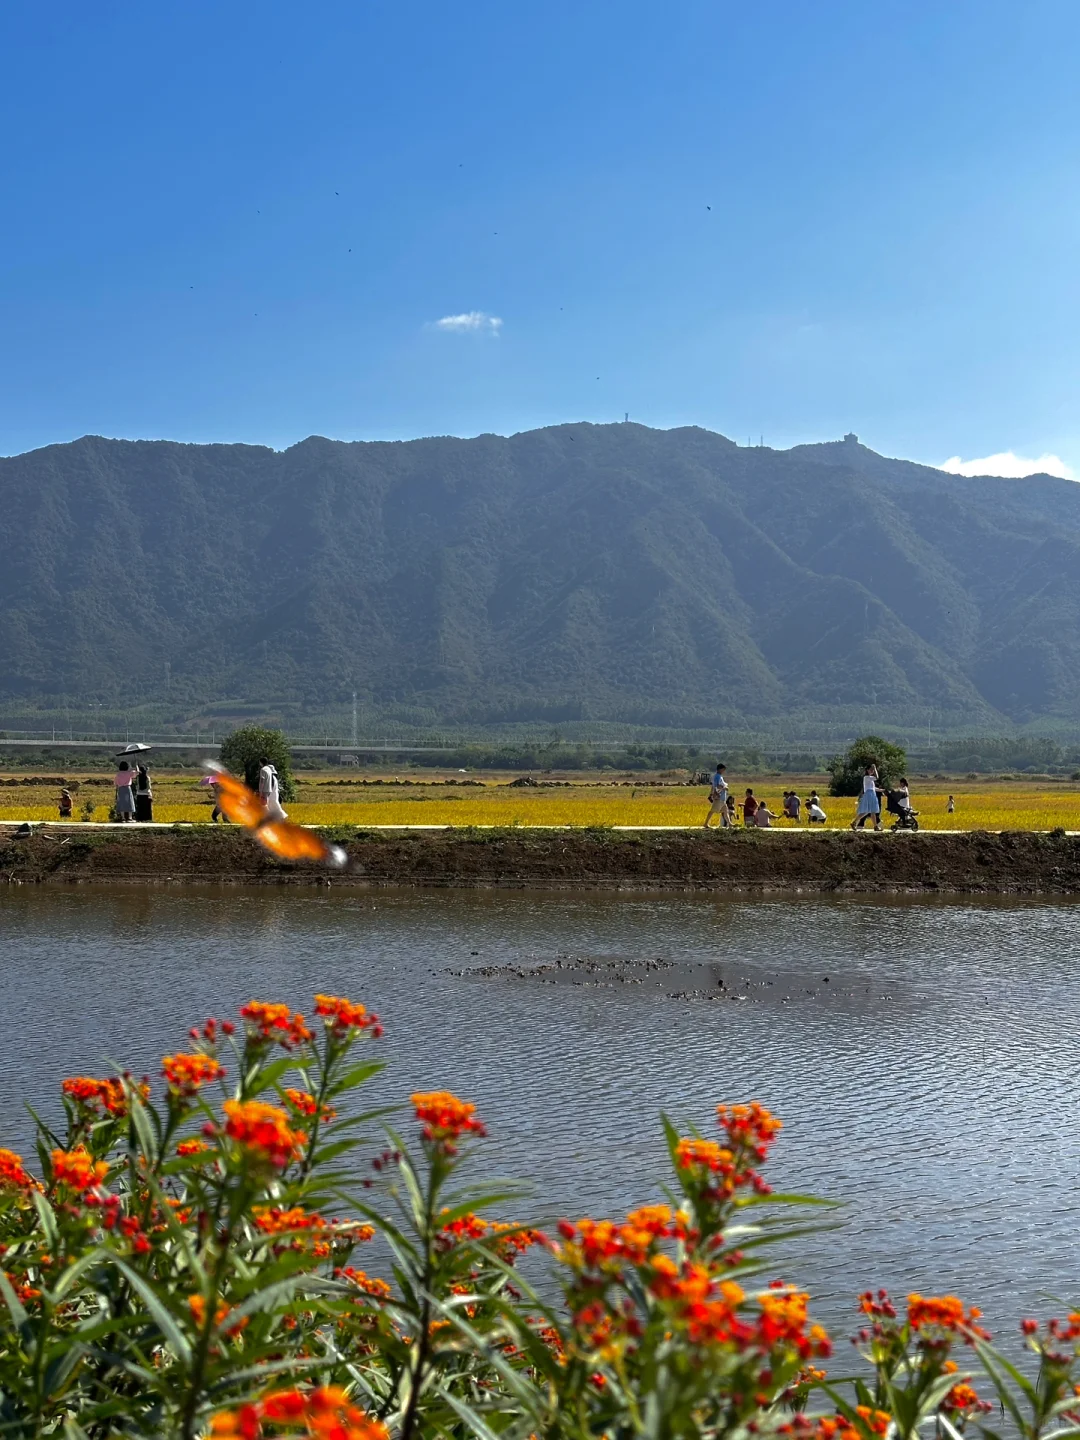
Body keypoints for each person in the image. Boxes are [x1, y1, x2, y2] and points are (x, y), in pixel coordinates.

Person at [851, 762, 882, 831]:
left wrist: (882, 790)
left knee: (866, 812)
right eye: (871, 769)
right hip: (869, 795)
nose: (872, 771)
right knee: (872, 811)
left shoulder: (869, 779)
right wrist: (875, 768)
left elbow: (873, 788)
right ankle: (875, 826)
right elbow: (877, 777)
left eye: (872, 770)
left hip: (871, 794)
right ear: (867, 770)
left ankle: (854, 822)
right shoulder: (866, 777)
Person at [258, 757, 288, 821]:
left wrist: (261, 791)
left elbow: (263, 782)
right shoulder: (274, 777)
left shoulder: (265, 771)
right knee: (273, 804)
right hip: (273, 792)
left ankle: (269, 817)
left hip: (268, 792)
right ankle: (280, 816)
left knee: (267, 804)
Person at [703, 762, 731, 829]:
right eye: (723, 769)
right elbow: (717, 786)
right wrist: (724, 787)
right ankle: (706, 823)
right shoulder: (717, 777)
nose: (723, 771)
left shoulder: (719, 776)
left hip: (722, 797)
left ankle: (730, 823)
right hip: (719, 797)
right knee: (712, 811)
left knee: (725, 811)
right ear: (720, 769)